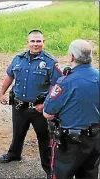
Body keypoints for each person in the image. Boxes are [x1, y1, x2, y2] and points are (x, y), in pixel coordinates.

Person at [0, 29, 62, 177]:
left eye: (38, 41)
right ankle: (14, 154)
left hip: (39, 109)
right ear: (27, 43)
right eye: (32, 41)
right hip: (19, 106)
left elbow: (56, 86)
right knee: (18, 133)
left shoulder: (50, 62)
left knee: (44, 139)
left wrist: (46, 104)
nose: (35, 44)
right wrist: (1, 92)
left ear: (43, 43)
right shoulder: (18, 59)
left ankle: (49, 168)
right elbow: (9, 76)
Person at [43, 39, 100, 179]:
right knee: (89, 174)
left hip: (71, 143)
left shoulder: (66, 82)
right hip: (95, 138)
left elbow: (47, 113)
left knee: (61, 174)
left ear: (72, 57)